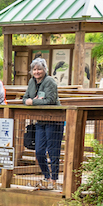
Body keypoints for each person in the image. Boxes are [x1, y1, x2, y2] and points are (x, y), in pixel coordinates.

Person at [22, 58, 63, 189]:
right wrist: (32, 101)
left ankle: (55, 178)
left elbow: (50, 100)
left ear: (45, 70)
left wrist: (33, 102)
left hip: (54, 120)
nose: (37, 72)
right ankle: (47, 176)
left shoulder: (50, 81)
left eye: (39, 69)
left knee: (53, 150)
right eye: (34, 69)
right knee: (39, 151)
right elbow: (25, 98)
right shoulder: (31, 82)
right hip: (40, 120)